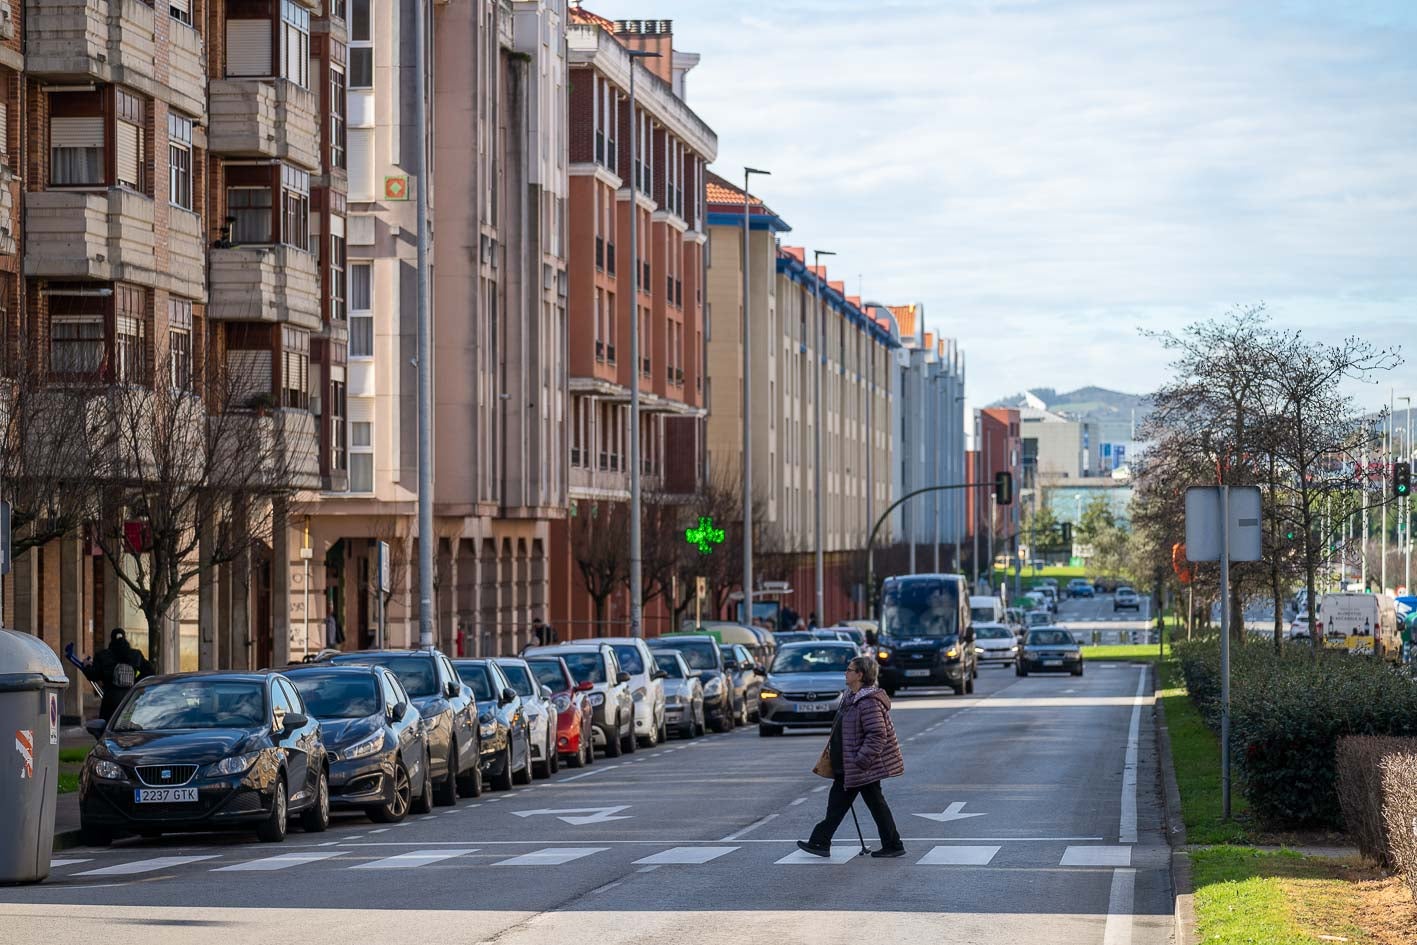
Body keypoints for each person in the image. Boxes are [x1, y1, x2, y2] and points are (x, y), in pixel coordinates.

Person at [798, 655, 905, 859]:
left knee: (850, 804)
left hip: (860, 766)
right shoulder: (851, 697)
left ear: (860, 675)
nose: (845, 673)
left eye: (849, 670)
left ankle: (821, 841)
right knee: (855, 803)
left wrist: (860, 760)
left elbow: (877, 734)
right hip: (849, 764)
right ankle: (891, 843)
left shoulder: (868, 702)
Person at [81, 628, 155, 722]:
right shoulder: (136, 655)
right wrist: (135, 682)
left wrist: (86, 667)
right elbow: (150, 671)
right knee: (128, 722)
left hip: (110, 699)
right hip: (130, 698)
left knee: (106, 725)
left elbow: (93, 675)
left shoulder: (103, 655)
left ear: (111, 639)